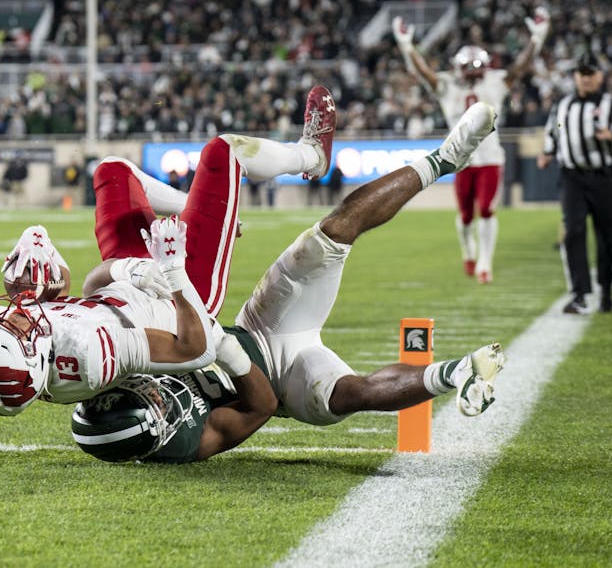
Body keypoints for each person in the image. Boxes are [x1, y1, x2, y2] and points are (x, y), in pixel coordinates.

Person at [70, 102, 503, 463]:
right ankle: (457, 373)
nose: (153, 391)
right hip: (283, 380)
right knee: (349, 394)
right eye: (155, 402)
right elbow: (261, 407)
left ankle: (444, 158)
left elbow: (97, 294)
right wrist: (222, 348)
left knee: (329, 234)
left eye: (142, 392)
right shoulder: (186, 442)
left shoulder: (114, 375)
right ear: (160, 431)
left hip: (257, 324)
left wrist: (130, 274)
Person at [0, 86, 340, 412]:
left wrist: (121, 270)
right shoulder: (93, 353)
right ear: (31, 355)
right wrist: (171, 270)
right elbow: (198, 347)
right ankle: (311, 155)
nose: (10, 317)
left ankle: (205, 208)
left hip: (134, 278)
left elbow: (86, 292)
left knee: (112, 170)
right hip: (182, 294)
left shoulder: (45, 348)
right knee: (225, 151)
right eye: (11, 329)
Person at [392, 8, 550, 284]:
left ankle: (485, 263)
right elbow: (423, 71)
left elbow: (520, 66)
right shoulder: (447, 85)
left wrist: (537, 39)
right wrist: (406, 46)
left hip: (490, 157)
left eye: (478, 66)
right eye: (469, 66)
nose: (474, 72)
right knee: (466, 214)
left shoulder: (496, 82)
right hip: (460, 159)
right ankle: (469, 252)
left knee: (487, 209)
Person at [538, 51, 612, 314]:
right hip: (572, 177)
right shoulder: (562, 105)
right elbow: (554, 131)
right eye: (580, 73)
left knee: (606, 237)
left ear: (600, 76)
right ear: (575, 76)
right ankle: (580, 293)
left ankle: (605, 289)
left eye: (590, 74)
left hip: (603, 177)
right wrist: (548, 151)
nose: (585, 79)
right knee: (573, 232)